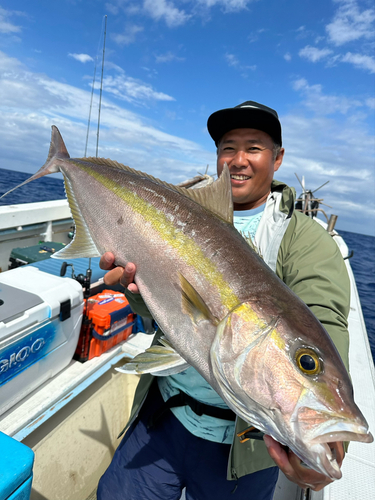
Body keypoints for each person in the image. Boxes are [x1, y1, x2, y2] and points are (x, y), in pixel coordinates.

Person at [96, 101, 350, 500]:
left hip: (241, 452)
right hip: (163, 415)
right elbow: (163, 317)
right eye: (228, 148)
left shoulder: (306, 241)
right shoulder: (185, 211)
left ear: (278, 158)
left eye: (254, 147)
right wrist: (135, 292)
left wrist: (333, 441)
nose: (239, 160)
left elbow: (324, 327)